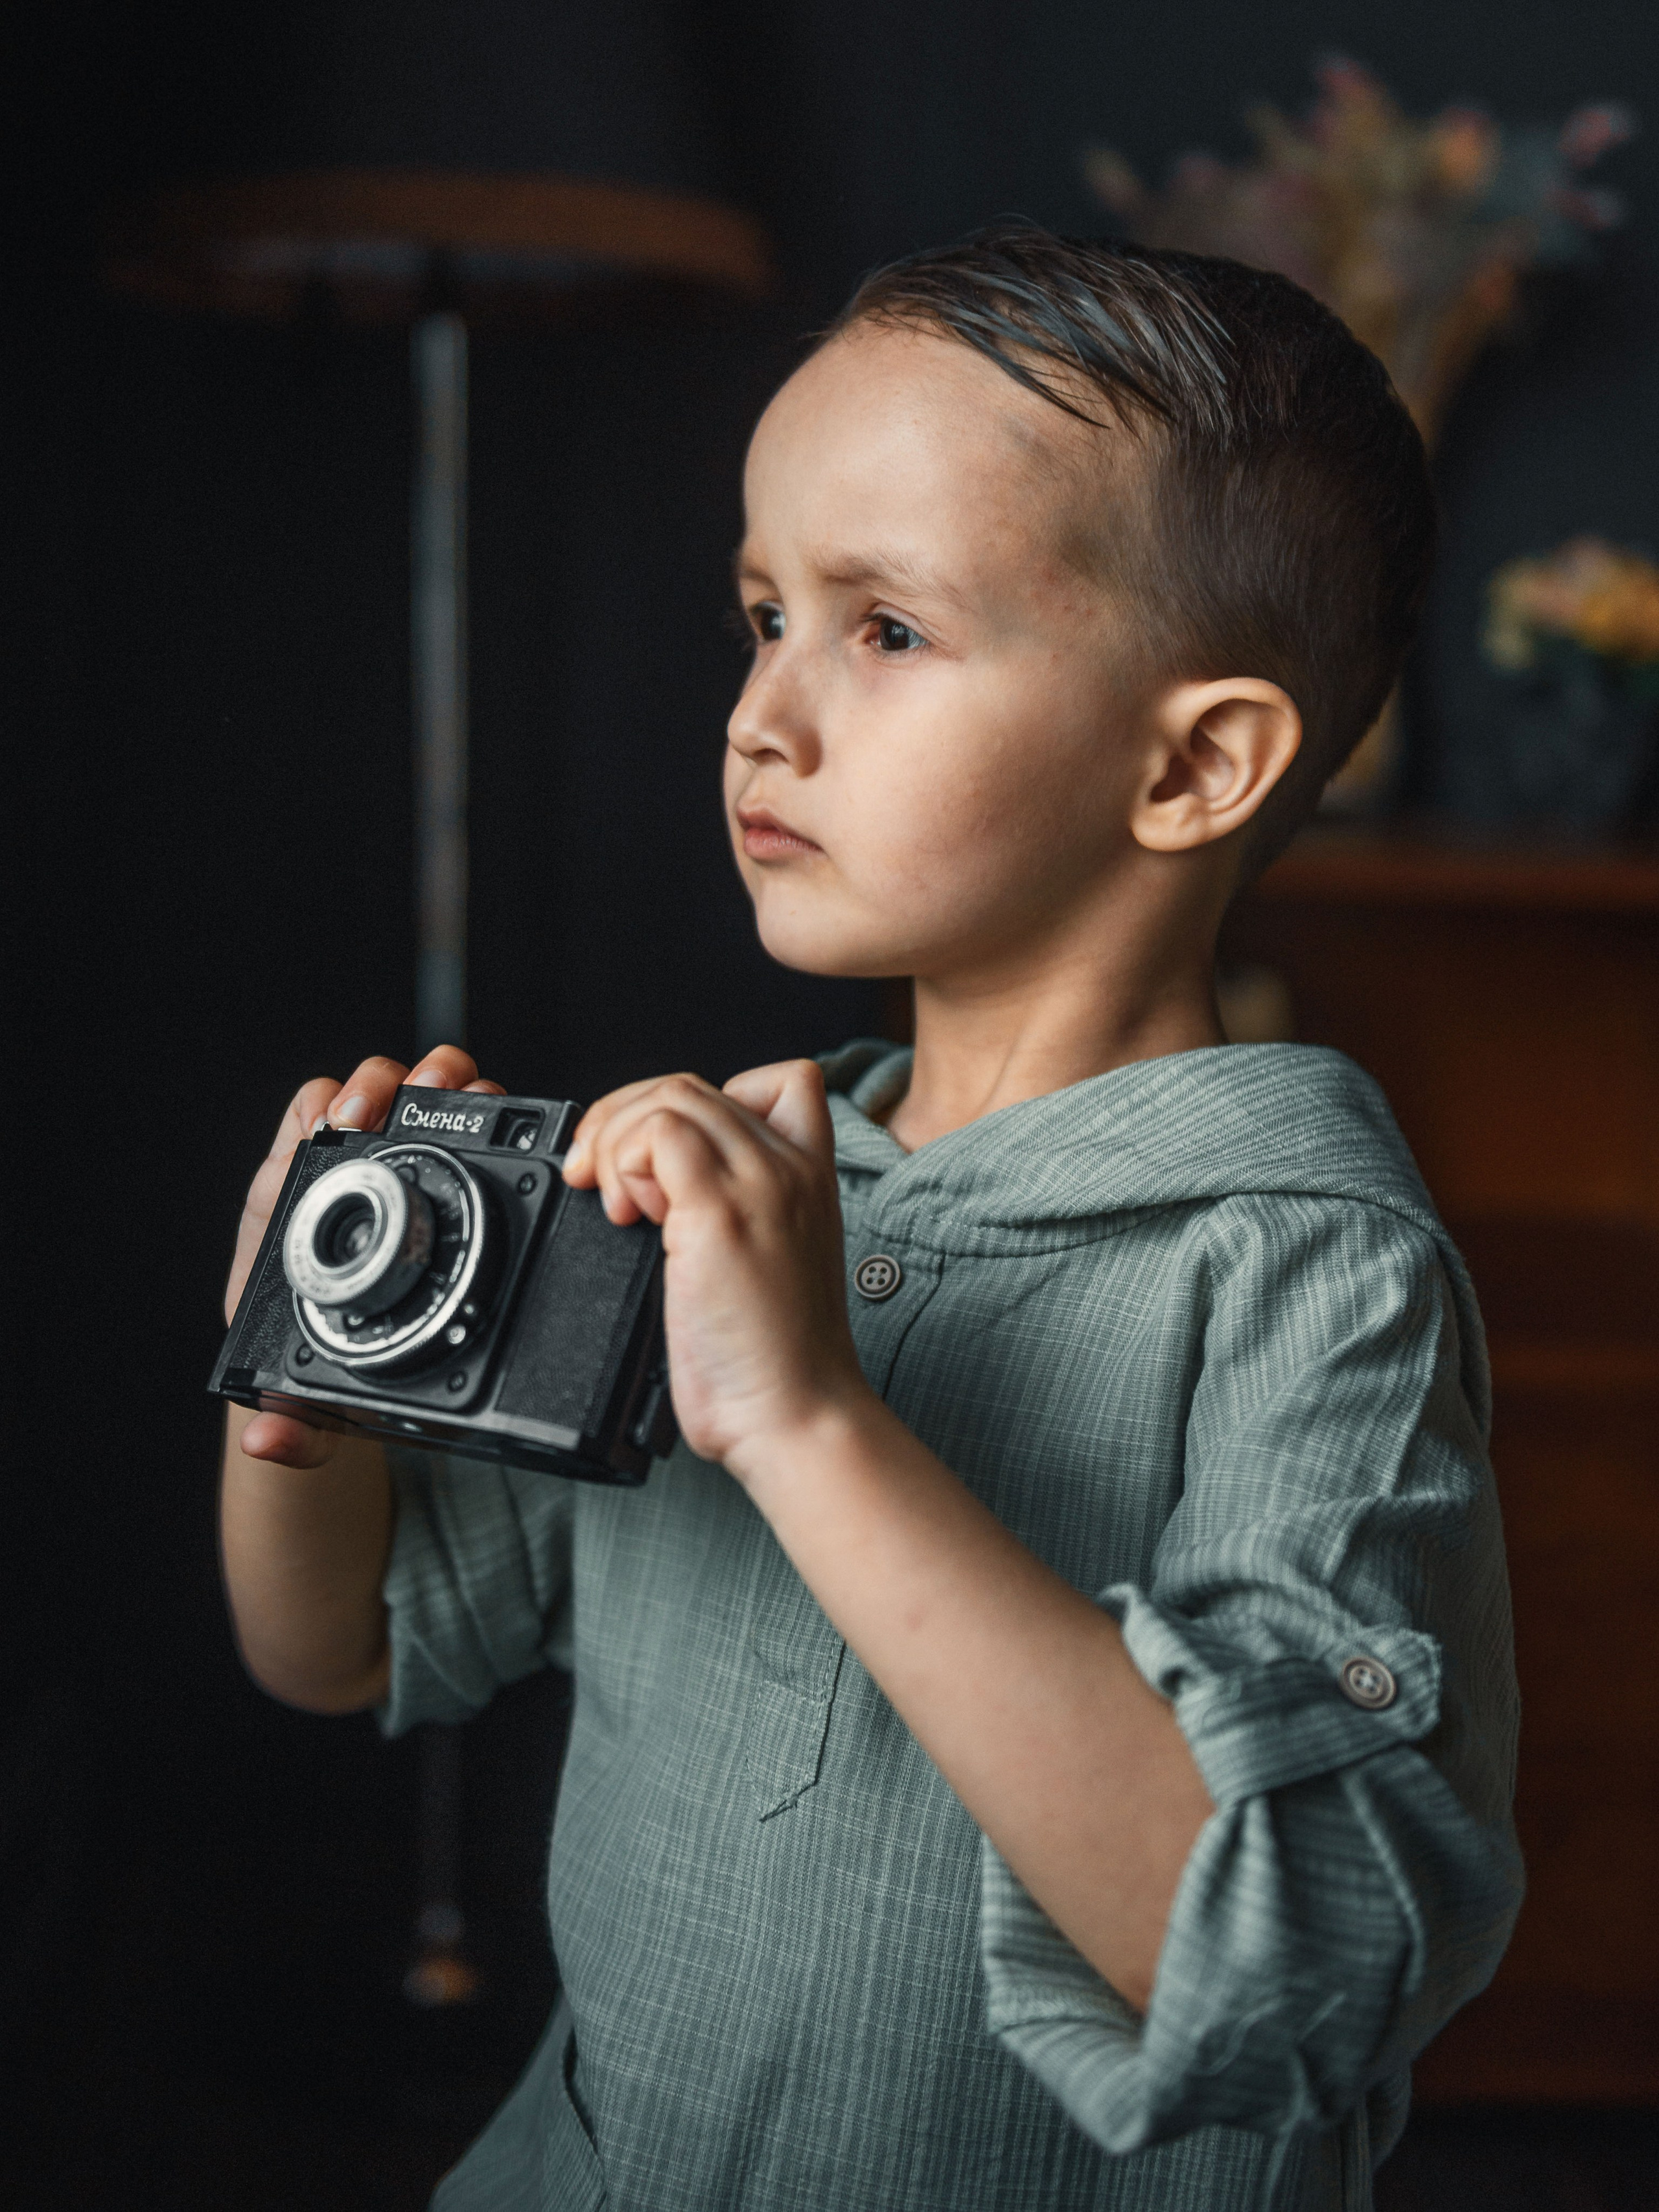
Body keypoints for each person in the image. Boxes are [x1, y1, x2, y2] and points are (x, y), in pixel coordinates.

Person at [219, 227, 1522, 2211]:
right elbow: (353, 1647)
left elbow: (1302, 1955)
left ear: (1195, 764)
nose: (762, 714)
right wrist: (291, 1403)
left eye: (884, 630)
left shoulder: (1301, 1265)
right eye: (762, 614)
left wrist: (812, 1421)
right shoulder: (735, 1186)